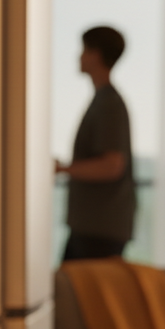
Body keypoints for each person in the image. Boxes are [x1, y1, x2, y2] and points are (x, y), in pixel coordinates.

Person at [55, 25, 136, 261]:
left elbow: (112, 166)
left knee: (78, 294)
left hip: (99, 230)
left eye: (84, 50)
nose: (79, 56)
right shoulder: (103, 100)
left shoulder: (109, 104)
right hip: (94, 227)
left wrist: (62, 169)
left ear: (96, 54)